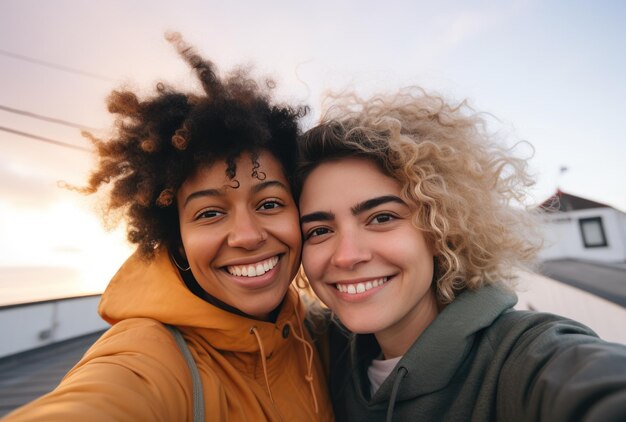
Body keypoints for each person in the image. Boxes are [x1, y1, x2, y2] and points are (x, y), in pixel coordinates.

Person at [5, 33, 333, 421]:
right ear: (176, 240)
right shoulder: (147, 355)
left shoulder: (319, 333)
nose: (247, 235)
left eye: (269, 203)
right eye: (210, 213)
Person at [296, 88, 626, 421]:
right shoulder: (317, 353)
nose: (347, 256)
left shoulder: (524, 357)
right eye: (319, 231)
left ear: (442, 227)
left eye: (382, 218)